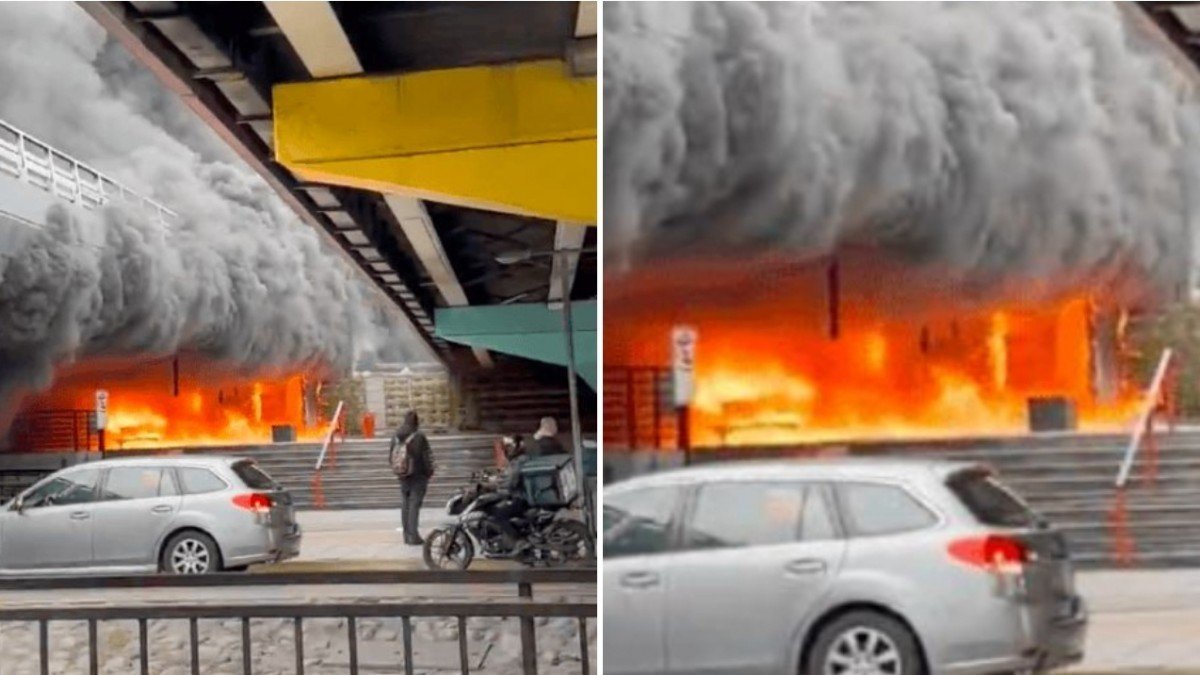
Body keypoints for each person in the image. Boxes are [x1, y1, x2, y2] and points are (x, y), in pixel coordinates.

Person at [389, 410, 433, 545]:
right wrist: (429, 472)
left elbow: (390, 456)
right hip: (418, 475)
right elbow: (426, 457)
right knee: (414, 505)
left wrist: (399, 469)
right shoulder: (419, 436)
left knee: (405, 504)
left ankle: (406, 535)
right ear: (416, 421)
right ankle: (413, 536)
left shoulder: (395, 436)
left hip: (402, 475)